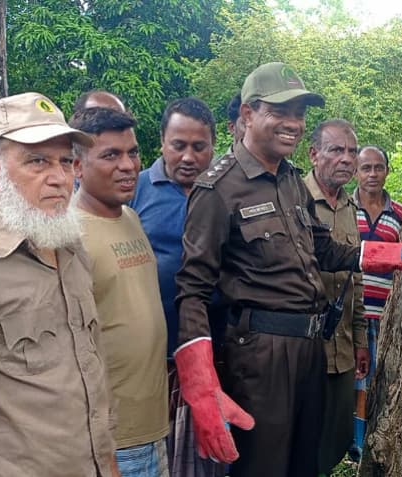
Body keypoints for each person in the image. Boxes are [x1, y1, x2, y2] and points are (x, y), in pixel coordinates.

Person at [173, 61, 402, 477]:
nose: (294, 124)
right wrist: (200, 383)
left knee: (306, 465)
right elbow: (192, 289)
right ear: (247, 114)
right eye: (280, 112)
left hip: (310, 348)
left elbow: (325, 250)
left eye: (299, 114)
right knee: (263, 468)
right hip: (259, 354)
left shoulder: (290, 181)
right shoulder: (218, 189)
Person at [0, 92, 116, 476]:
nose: (60, 178)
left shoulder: (71, 249)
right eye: (38, 161)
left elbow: (91, 371)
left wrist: (108, 464)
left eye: (65, 161)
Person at [70, 107, 170, 476]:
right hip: (112, 438)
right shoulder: (68, 236)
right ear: (77, 166)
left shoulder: (130, 217)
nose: (128, 165)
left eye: (133, 152)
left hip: (152, 423)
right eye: (111, 155)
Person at [128, 97, 224, 476]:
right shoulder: (135, 191)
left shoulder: (223, 193)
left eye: (199, 147)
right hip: (153, 358)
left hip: (212, 354)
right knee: (155, 453)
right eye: (178, 145)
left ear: (212, 147)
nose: (188, 157)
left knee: (205, 458)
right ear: (162, 143)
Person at [304, 119, 368, 475]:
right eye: (336, 150)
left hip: (342, 346)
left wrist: (359, 340)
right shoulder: (296, 199)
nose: (346, 159)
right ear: (314, 154)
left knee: (336, 438)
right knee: (301, 439)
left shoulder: (349, 207)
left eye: (352, 151)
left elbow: (353, 280)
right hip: (303, 348)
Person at [350, 144, 402, 460]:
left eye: (378, 167)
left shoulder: (399, 215)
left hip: (385, 315)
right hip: (349, 316)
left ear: (386, 170)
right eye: (365, 168)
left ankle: (374, 446)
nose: (372, 174)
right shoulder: (343, 208)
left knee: (379, 381)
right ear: (356, 172)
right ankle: (353, 447)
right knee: (353, 381)